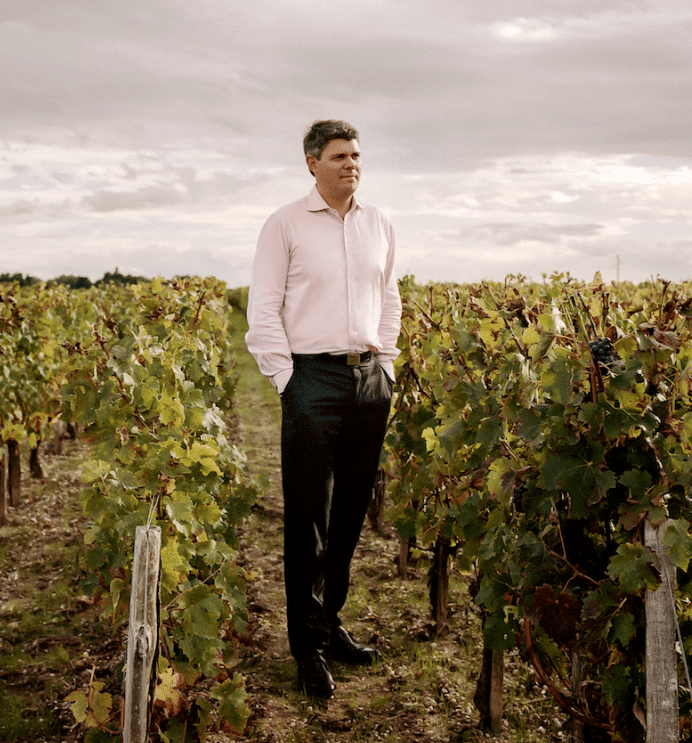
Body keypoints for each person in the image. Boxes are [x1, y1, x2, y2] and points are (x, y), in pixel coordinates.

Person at [245, 119, 402, 698]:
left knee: (351, 514)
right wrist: (288, 382)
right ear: (312, 162)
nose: (351, 164)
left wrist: (384, 365)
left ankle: (329, 620)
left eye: (357, 155)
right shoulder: (284, 225)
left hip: (367, 381)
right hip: (310, 380)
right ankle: (306, 647)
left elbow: (390, 297)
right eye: (339, 156)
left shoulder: (380, 224)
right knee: (308, 519)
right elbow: (263, 312)